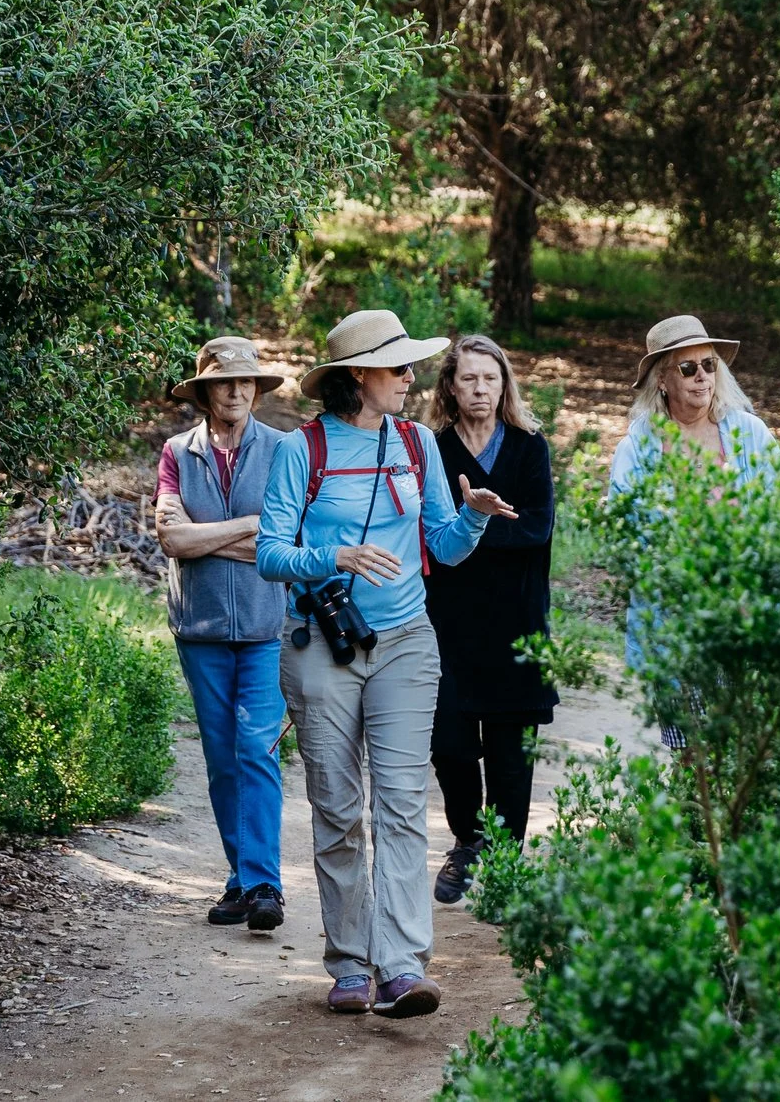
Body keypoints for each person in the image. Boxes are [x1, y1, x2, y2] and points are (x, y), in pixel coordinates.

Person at [256, 309, 519, 1019]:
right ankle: (348, 963)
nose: (411, 377)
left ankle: (401, 966)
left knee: (402, 804)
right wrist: (333, 556)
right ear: (357, 377)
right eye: (397, 367)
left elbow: (444, 542)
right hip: (324, 640)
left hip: (405, 638)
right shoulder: (300, 448)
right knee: (339, 808)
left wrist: (474, 517)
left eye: (409, 366)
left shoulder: (414, 444)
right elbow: (269, 552)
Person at [154, 336, 293, 933]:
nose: (236, 391)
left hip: (268, 626)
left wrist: (208, 534)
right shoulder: (176, 453)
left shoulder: (285, 451)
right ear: (204, 391)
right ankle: (242, 879)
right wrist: (250, 530)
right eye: (223, 382)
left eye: (246, 382)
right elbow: (173, 540)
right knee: (220, 759)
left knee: (256, 748)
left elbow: (287, 542)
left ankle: (264, 885)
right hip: (201, 626)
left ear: (257, 390)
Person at [606, 314, 780, 748]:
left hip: (748, 624)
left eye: (709, 365)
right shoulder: (638, 449)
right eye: (688, 368)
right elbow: (627, 540)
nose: (702, 377)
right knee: (694, 758)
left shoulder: (749, 434)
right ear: (663, 380)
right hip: (675, 634)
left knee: (750, 756)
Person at [424, 336, 556, 905]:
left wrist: (469, 527)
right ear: (450, 387)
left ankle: (504, 865)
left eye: (491, 379)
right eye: (469, 379)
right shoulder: (431, 449)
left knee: (509, 759)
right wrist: (466, 528)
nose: (480, 388)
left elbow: (536, 528)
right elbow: (424, 535)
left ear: (505, 386)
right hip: (446, 627)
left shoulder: (529, 447)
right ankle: (468, 840)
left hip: (517, 625)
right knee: (448, 744)